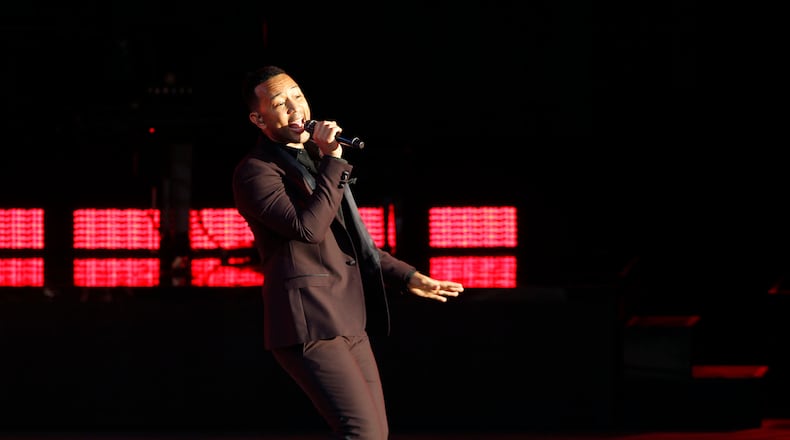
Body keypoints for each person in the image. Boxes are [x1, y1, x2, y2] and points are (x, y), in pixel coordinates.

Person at [232, 65, 465, 439]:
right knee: (363, 433)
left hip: (348, 317)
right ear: (258, 119)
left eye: (297, 95)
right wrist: (334, 160)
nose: (295, 108)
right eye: (279, 103)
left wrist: (407, 276)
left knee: (375, 434)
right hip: (309, 322)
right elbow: (308, 229)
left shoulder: (314, 160)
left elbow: (353, 240)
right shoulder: (256, 172)